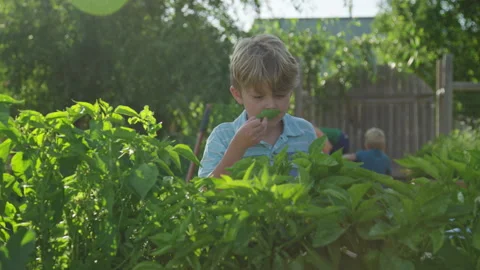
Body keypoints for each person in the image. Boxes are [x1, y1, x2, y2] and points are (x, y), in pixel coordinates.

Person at [198, 34, 317, 178]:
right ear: (237, 95)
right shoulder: (223, 137)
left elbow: (317, 187)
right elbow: (204, 195)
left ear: (290, 92)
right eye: (259, 97)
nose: (271, 105)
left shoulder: (305, 133)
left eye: (279, 95)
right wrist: (237, 148)